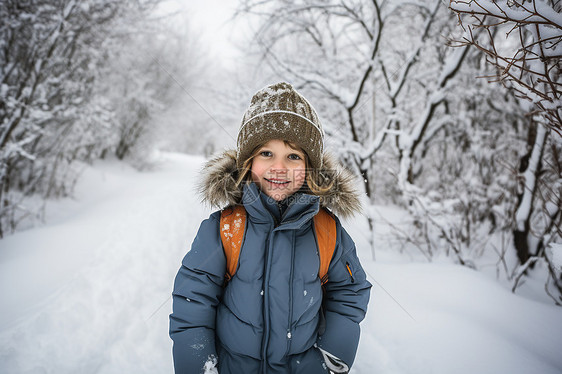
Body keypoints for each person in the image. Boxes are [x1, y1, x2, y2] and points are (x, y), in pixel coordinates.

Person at [169, 82, 371, 374]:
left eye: (293, 156)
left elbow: (350, 292)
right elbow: (192, 302)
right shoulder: (226, 228)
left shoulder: (327, 232)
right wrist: (199, 366)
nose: (279, 167)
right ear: (248, 161)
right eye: (266, 154)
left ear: (310, 166)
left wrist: (332, 358)